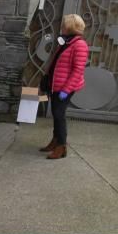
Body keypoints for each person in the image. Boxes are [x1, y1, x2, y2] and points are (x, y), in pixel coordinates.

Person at [40, 14, 88, 160]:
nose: (62, 27)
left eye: (64, 25)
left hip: (64, 87)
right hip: (56, 85)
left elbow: (78, 70)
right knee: (56, 114)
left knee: (59, 115)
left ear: (70, 27)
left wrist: (66, 90)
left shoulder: (79, 45)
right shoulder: (67, 42)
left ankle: (62, 147)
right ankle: (55, 141)